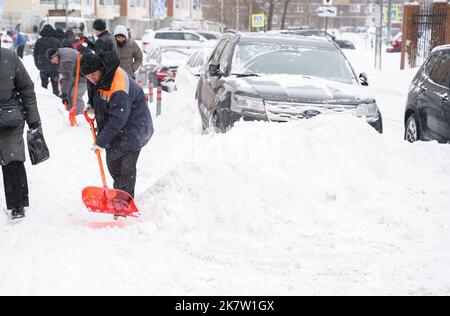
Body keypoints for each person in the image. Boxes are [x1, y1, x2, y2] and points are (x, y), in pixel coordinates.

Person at [80, 52, 153, 198]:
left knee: (125, 169)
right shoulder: (97, 77)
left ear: (101, 68)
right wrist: (91, 103)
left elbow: (117, 119)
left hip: (135, 128)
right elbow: (95, 89)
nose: (91, 79)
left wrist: (100, 141)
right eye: (87, 77)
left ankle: (124, 204)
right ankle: (119, 196)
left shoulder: (119, 86)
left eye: (93, 75)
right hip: (117, 130)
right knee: (113, 165)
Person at [0, 46, 44, 219]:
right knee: (13, 158)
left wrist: (33, 118)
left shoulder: (9, 57)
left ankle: (17, 204)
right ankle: (18, 204)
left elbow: (26, 88)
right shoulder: (9, 56)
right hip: (10, 115)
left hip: (9, 117)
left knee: (12, 159)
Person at [47, 47, 87, 115]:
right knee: (69, 95)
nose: (53, 63)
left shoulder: (66, 60)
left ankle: (79, 116)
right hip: (76, 76)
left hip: (82, 77)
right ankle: (71, 113)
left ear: (54, 56)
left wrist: (64, 94)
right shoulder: (62, 52)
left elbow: (67, 78)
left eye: (52, 60)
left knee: (75, 95)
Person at [33, 25, 61, 96]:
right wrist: (59, 65)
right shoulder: (56, 41)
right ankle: (56, 99)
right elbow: (60, 53)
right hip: (54, 67)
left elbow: (35, 54)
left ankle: (45, 101)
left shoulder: (39, 41)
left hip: (43, 67)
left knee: (44, 86)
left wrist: (38, 65)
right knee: (55, 86)